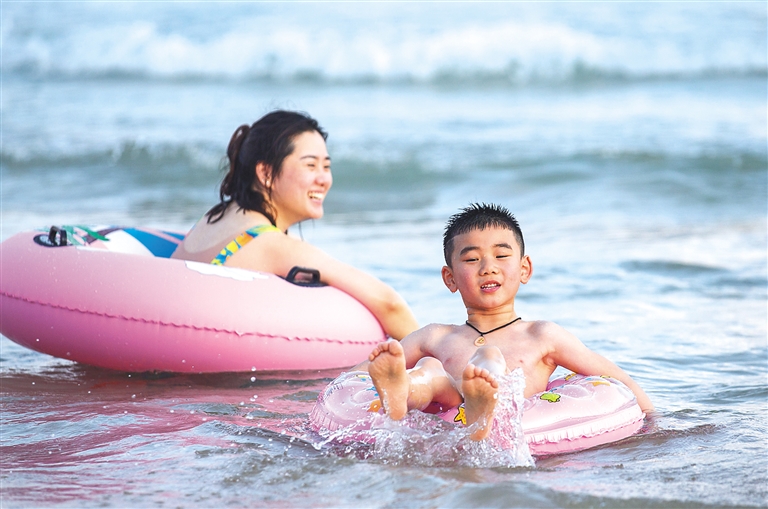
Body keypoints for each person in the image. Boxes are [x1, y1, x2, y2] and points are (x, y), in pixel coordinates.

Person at [357, 203, 654, 440]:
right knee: (431, 370)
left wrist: (654, 420)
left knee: (489, 357)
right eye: (472, 260)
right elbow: (357, 376)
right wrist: (371, 374)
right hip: (449, 402)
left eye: (501, 255)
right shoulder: (435, 336)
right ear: (450, 278)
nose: (488, 268)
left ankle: (482, 401)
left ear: (524, 269)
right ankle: (404, 392)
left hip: (506, 410)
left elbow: (615, 377)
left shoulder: (542, 335)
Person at [171, 110, 418, 340]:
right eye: (310, 165)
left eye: (326, 166)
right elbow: (389, 304)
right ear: (266, 173)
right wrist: (436, 361)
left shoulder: (215, 216)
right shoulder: (273, 244)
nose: (324, 179)